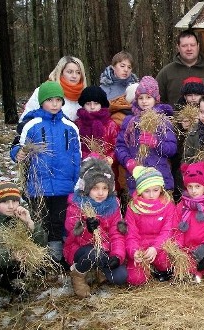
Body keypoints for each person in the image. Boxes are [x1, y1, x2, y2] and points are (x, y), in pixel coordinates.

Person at [10, 81, 81, 263]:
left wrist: (75, 181)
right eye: (50, 100)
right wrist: (18, 153)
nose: (55, 104)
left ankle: (55, 257)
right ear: (42, 102)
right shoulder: (31, 124)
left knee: (59, 221)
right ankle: (39, 256)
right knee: (40, 221)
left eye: (58, 100)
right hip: (38, 185)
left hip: (63, 185)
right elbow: (18, 145)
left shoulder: (70, 126)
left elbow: (76, 155)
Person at [64, 158, 128, 297]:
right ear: (87, 188)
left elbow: (117, 235)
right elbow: (73, 234)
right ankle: (78, 275)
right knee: (94, 253)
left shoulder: (113, 205)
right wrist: (88, 230)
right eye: (95, 188)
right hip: (81, 250)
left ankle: (98, 270)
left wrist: (117, 256)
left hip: (104, 250)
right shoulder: (78, 205)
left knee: (121, 276)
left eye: (104, 188)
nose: (100, 193)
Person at [0, 182, 46, 297]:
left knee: (31, 256)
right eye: (5, 202)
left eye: (14, 201)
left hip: (7, 258)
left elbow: (41, 244)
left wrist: (29, 223)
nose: (11, 206)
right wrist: (11, 255)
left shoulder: (19, 214)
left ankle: (10, 281)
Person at [115, 76, 177, 195]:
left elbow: (172, 149)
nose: (144, 101)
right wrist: (128, 161)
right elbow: (120, 146)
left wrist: (156, 143)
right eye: (140, 98)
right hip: (137, 178)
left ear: (155, 99)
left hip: (160, 178)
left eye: (148, 97)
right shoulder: (130, 122)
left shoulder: (163, 121)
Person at [125, 166, 177, 285]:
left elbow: (168, 230)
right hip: (141, 246)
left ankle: (158, 269)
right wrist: (134, 252)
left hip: (160, 246)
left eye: (155, 190)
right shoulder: (133, 208)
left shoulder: (168, 205)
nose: (152, 195)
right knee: (135, 279)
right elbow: (130, 234)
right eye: (146, 191)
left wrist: (155, 248)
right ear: (139, 190)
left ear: (161, 189)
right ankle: (148, 269)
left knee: (166, 263)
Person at [156, 29, 204, 106]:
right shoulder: (166, 72)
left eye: (192, 45)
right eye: (184, 46)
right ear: (178, 47)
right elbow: (156, 101)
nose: (189, 49)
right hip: (175, 117)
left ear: (198, 46)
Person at [20, 56, 88, 122]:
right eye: (69, 72)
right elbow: (25, 120)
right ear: (60, 73)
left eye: (78, 72)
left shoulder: (86, 95)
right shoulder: (44, 90)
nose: (74, 76)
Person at [75, 86, 120, 164]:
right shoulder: (78, 125)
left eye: (96, 103)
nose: (92, 107)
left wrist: (110, 158)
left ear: (101, 104)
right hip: (84, 168)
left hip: (107, 168)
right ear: (83, 105)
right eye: (88, 104)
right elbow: (74, 147)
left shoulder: (111, 125)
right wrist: (87, 157)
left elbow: (118, 146)